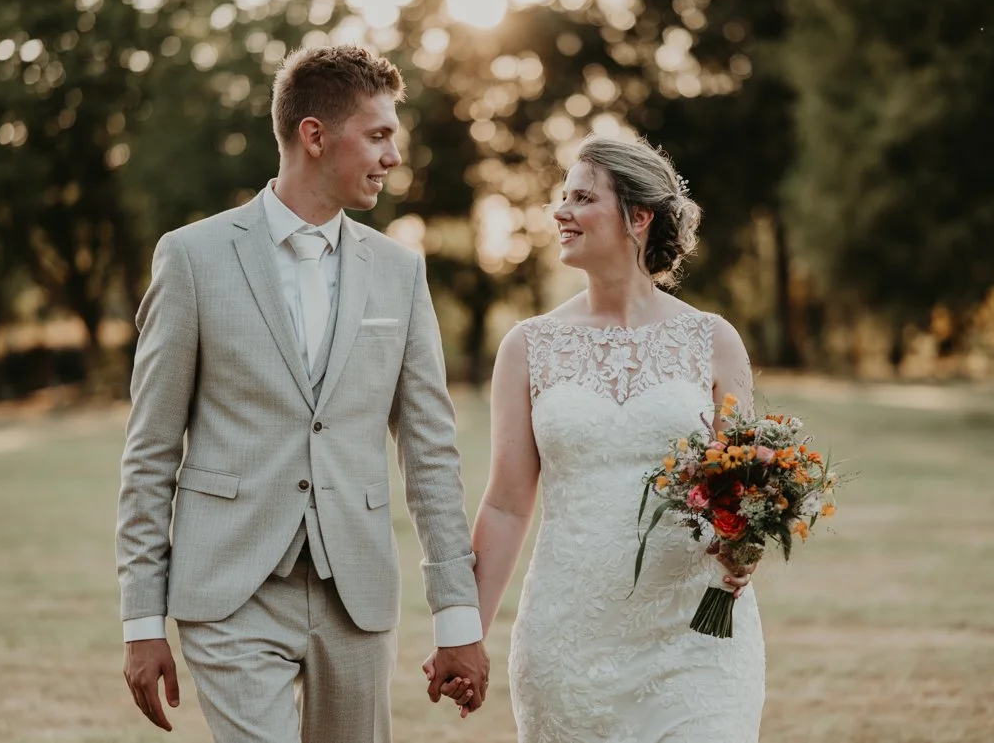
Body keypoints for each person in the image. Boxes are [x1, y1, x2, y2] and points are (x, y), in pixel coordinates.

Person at [116, 44, 488, 743]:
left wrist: (457, 618)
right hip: (229, 590)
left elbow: (432, 457)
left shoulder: (399, 274)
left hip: (357, 594)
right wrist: (142, 622)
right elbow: (150, 453)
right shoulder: (193, 258)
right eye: (378, 135)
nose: (393, 156)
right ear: (314, 135)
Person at [437, 135, 766, 740]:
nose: (560, 212)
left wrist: (746, 541)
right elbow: (507, 505)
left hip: (697, 634)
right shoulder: (528, 348)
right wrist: (467, 634)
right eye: (562, 198)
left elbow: (741, 485)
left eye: (582, 198)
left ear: (638, 217)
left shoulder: (712, 340)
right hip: (569, 642)